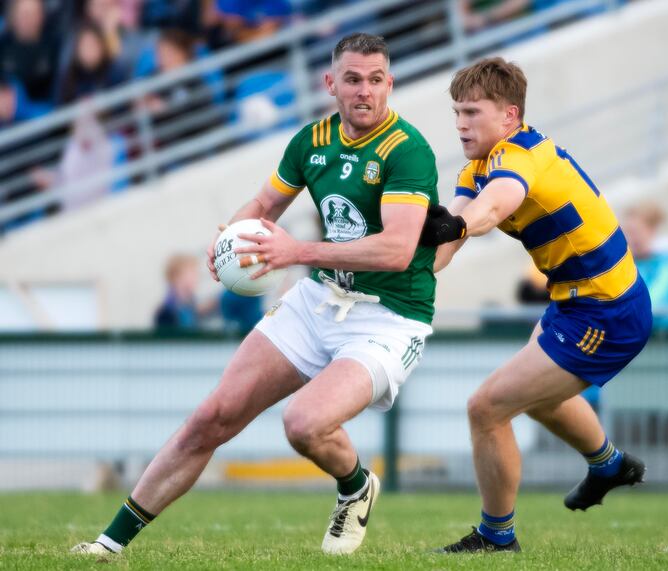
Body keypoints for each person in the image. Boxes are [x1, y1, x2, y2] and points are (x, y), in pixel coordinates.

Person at [71, 32, 438, 557]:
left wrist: (296, 252)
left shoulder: (408, 150)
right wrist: (228, 240)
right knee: (211, 417)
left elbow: (397, 250)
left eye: (376, 80)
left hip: (389, 317)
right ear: (330, 83)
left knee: (304, 424)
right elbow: (264, 205)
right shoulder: (312, 140)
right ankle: (108, 546)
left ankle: (356, 485)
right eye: (353, 79)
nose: (365, 91)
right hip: (320, 300)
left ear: (390, 83)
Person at [422, 57, 652, 553]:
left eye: (472, 112)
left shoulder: (521, 155)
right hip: (576, 304)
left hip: (607, 311)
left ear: (510, 115)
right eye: (457, 112)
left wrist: (454, 225)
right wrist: (390, 268)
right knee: (539, 399)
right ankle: (609, 465)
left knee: (486, 408)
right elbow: (447, 242)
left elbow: (493, 206)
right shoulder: (479, 166)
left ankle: (496, 537)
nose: (461, 123)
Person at [153, 254, 216, 330]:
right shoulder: (165, 312)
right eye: (192, 273)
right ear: (176, 276)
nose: (197, 277)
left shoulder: (192, 303)